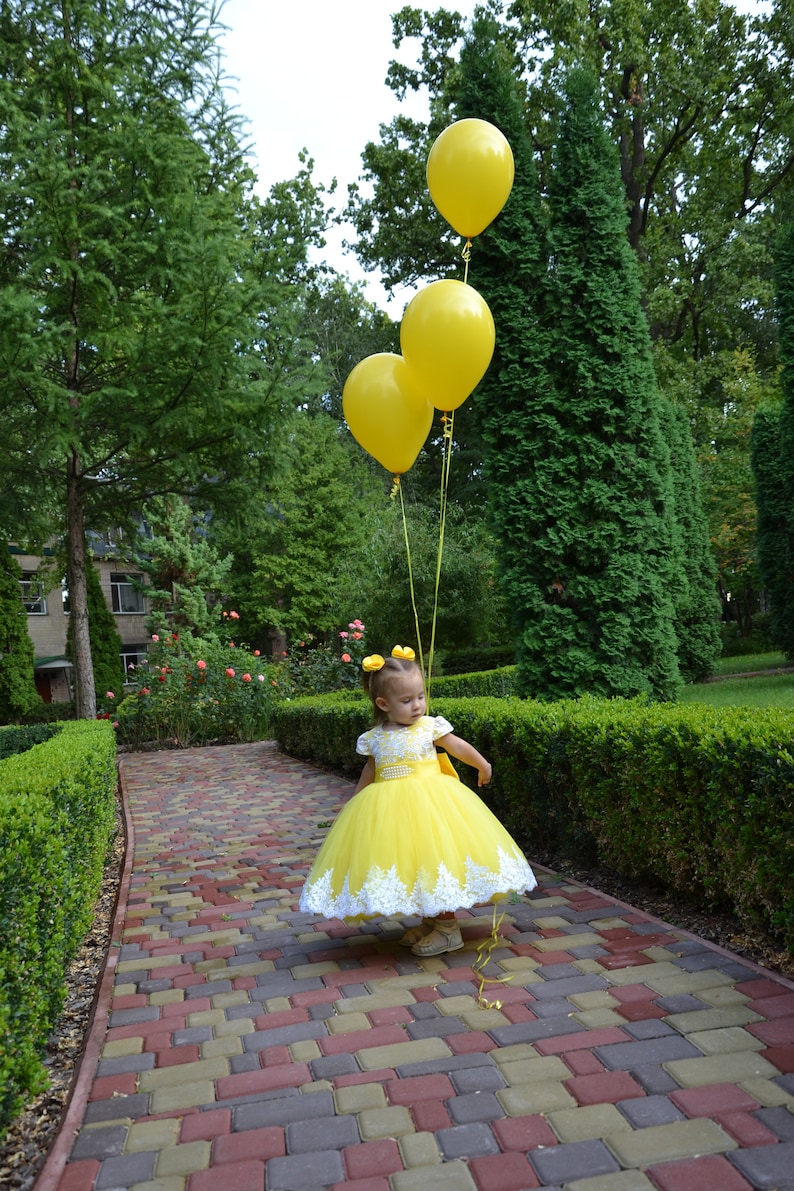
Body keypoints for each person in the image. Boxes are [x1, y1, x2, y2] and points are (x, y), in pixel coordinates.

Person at [299, 646, 536, 956]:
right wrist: (354, 803)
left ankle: (448, 928)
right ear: (383, 703)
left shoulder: (428, 727)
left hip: (432, 804)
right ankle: (431, 920)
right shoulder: (375, 737)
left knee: (435, 858)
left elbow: (457, 747)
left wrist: (481, 764)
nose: (417, 706)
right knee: (413, 863)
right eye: (407, 701)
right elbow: (371, 770)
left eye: (421, 697)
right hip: (390, 810)